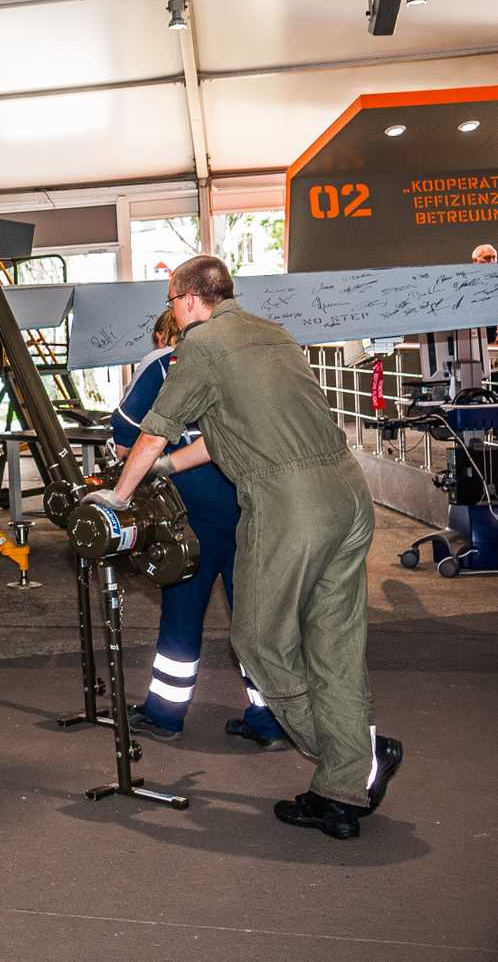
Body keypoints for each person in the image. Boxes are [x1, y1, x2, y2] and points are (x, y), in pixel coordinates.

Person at [90, 255, 403, 840]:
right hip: (348, 497)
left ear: (187, 299)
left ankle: (353, 761)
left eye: (171, 300)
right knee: (334, 645)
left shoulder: (202, 346)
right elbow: (221, 437)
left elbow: (154, 429)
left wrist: (118, 495)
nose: (172, 310)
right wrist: (165, 470)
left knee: (258, 641)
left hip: (290, 504)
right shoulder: (271, 335)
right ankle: (339, 798)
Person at [112, 309, 290, 750]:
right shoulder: (252, 358)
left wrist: (130, 483)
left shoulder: (162, 366)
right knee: (256, 618)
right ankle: (271, 718)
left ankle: (165, 714)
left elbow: (124, 437)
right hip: (255, 503)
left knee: (182, 611)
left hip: (191, 512)